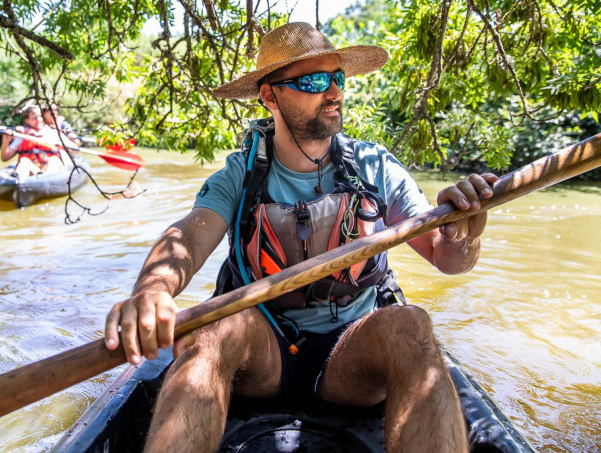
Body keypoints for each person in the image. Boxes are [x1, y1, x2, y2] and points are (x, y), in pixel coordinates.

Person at [104, 22, 498, 453]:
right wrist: (152, 290)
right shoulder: (242, 173)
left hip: (349, 353)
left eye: (337, 78)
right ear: (269, 96)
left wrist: (463, 233)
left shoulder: (373, 167)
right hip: (262, 353)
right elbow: (189, 236)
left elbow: (448, 259)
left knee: (411, 325)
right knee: (209, 328)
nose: (334, 93)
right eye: (313, 81)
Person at [0, 107, 64, 177]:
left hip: (50, 172)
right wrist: (5, 142)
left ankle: (44, 179)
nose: (39, 120)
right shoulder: (23, 135)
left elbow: (72, 150)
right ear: (27, 120)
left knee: (54, 160)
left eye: (40, 116)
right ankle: (18, 182)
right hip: (34, 171)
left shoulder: (54, 133)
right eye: (34, 117)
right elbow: (5, 158)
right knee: (24, 161)